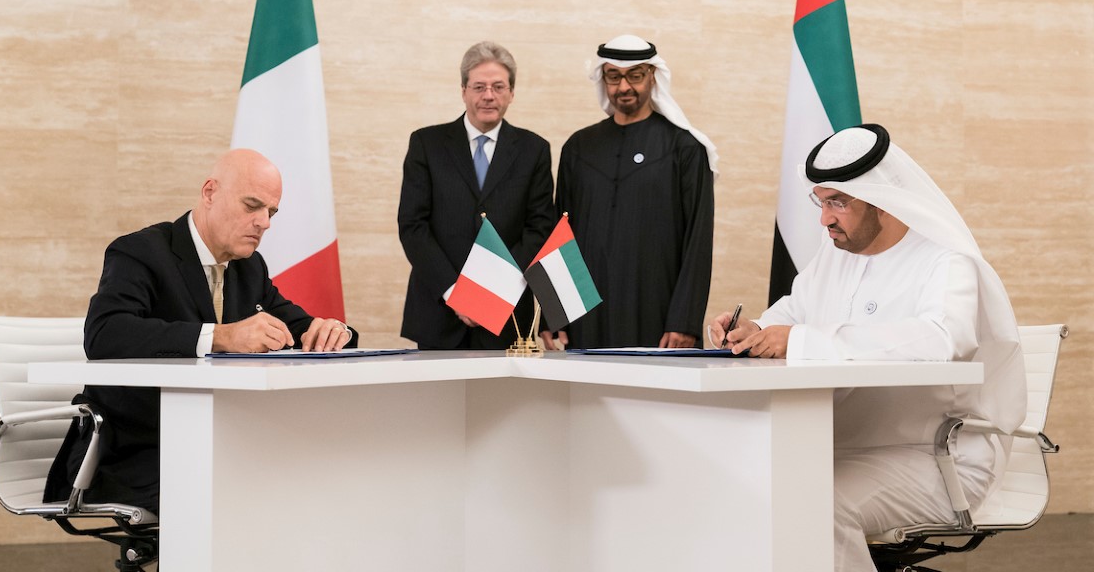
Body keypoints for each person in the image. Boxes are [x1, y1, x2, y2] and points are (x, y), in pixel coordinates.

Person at [709, 124, 1026, 572]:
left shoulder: (945, 261)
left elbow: (942, 339)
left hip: (936, 457)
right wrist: (754, 328)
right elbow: (795, 312)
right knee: (734, 482)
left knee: (818, 503)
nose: (825, 219)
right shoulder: (836, 254)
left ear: (882, 200)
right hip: (840, 443)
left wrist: (799, 341)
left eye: (838, 202)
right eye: (821, 202)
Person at [44, 149, 354, 515]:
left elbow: (299, 327)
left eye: (271, 212)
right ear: (209, 193)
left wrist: (334, 331)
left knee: (308, 477)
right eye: (252, 205)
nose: (264, 223)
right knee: (244, 493)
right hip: (132, 452)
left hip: (215, 442)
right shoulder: (141, 251)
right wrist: (221, 336)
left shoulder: (249, 268)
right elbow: (105, 334)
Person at [546, 34, 718, 350]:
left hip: (658, 317)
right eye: (614, 76)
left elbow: (698, 240)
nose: (624, 87)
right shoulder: (579, 147)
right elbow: (560, 236)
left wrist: (683, 321)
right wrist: (554, 317)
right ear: (603, 79)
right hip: (586, 318)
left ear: (652, 76)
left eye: (635, 75)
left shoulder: (685, 148)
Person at [398, 41, 556, 349]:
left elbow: (539, 228)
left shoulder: (533, 149)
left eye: (498, 87)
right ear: (463, 91)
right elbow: (413, 226)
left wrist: (489, 292)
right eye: (479, 86)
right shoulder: (426, 144)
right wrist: (456, 293)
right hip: (438, 312)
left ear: (511, 93)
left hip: (507, 316)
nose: (488, 96)